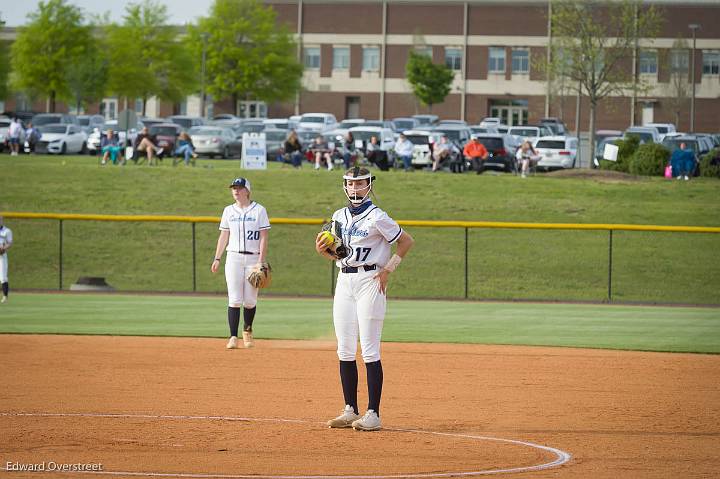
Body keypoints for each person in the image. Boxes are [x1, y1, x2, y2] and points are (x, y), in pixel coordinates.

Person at [315, 167, 415, 431]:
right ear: (344, 186)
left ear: (369, 185)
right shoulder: (339, 216)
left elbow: (406, 241)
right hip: (345, 280)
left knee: (370, 349)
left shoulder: (377, 216)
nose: (355, 188)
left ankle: (373, 414)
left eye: (360, 183)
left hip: (370, 280)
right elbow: (339, 254)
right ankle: (350, 410)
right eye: (350, 184)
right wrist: (324, 253)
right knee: (345, 348)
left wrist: (389, 269)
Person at [211, 178, 271, 349]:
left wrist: (261, 261)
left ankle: (247, 331)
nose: (236, 191)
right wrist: (217, 258)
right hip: (234, 258)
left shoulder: (259, 210)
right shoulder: (228, 211)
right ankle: (232, 337)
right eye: (234, 188)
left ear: (247, 191)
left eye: (239, 188)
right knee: (235, 299)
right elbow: (224, 236)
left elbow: (264, 237)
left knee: (250, 300)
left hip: (253, 258)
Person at [0, 216, 13, 303]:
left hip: (2, 256)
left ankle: (5, 297)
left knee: (3, 277)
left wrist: (3, 248)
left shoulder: (7, 231)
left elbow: (10, 243)